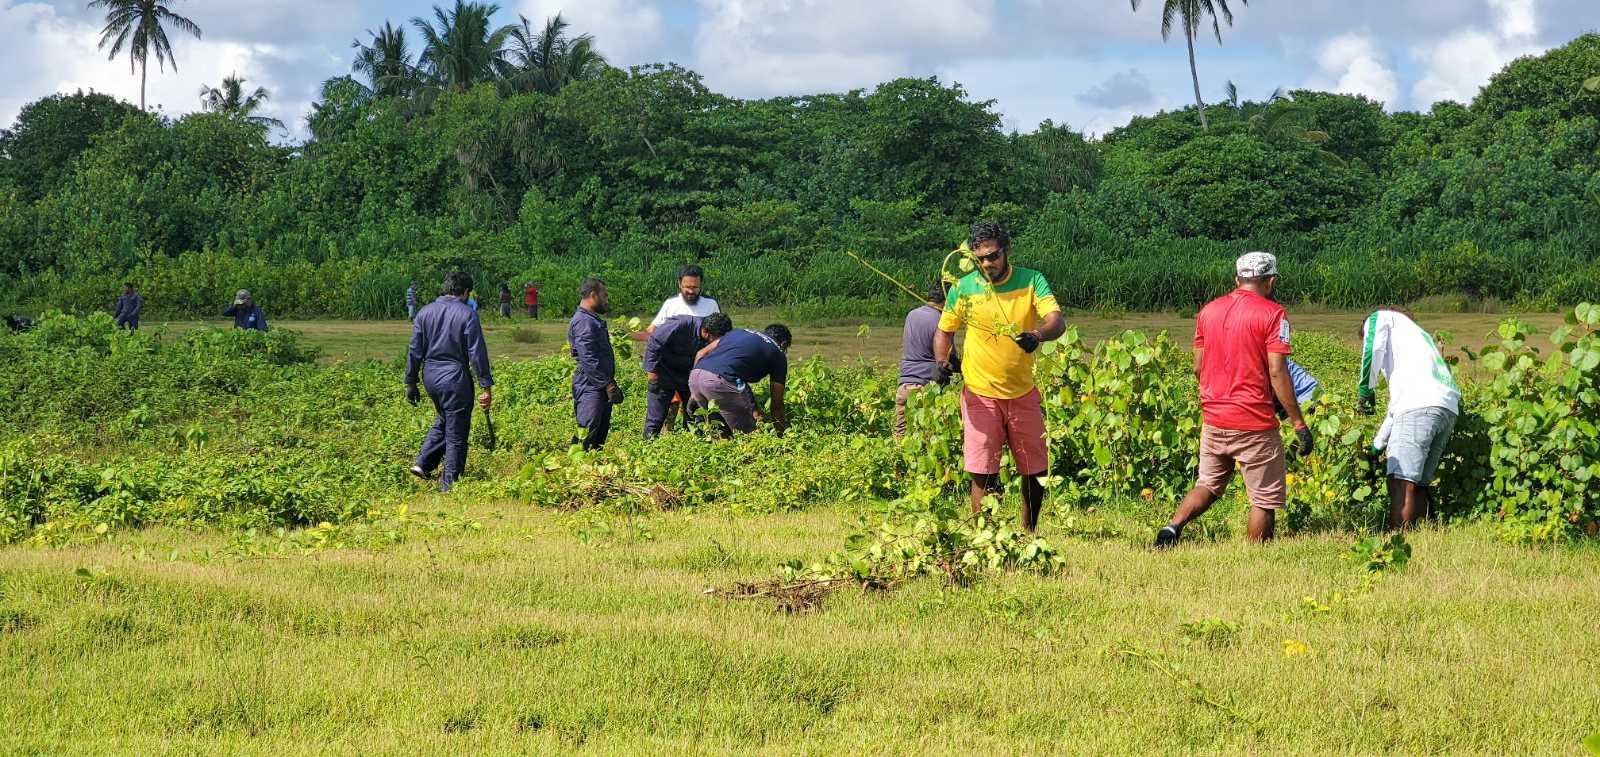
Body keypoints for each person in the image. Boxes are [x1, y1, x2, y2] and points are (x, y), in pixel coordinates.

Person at [1155, 252, 1315, 549]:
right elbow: (1278, 372)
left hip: (1214, 418)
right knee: (1264, 498)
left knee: (1208, 484)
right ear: (1271, 281)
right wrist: (1297, 422)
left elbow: (1197, 368)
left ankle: (1172, 527)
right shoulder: (1273, 314)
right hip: (1254, 421)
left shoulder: (1208, 311)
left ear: (1237, 280)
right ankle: (1255, 556)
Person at [933, 220, 1066, 533]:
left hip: (1023, 391)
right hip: (980, 392)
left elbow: (1056, 321)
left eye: (992, 256)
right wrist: (941, 361)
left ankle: (1028, 530)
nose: (987, 264)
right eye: (980, 258)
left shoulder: (1031, 280)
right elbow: (944, 331)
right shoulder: (963, 288)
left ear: (1006, 251)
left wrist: (1038, 335)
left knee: (1035, 469)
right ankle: (986, 538)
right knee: (983, 471)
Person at [1356, 309, 1460, 530]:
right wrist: (1377, 446)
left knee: (1401, 482)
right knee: (1418, 482)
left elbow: (1372, 344)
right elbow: (1398, 409)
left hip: (1421, 406)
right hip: (1447, 406)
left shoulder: (1381, 318)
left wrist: (1366, 389)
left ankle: (1397, 542)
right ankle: (1421, 540)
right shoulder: (1417, 338)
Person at [405, 272, 494, 493]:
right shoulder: (467, 314)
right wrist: (486, 385)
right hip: (455, 376)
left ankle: (423, 463)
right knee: (457, 432)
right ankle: (449, 486)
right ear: (465, 292)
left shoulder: (424, 313)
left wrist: (411, 382)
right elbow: (476, 353)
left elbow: (414, 351)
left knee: (446, 416)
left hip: (430, 376)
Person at [690, 318, 790, 436]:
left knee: (720, 433)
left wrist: (694, 391)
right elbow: (777, 404)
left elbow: (701, 354)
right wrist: (781, 434)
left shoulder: (740, 332)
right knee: (751, 436)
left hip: (695, 376)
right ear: (783, 344)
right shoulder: (778, 353)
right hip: (721, 380)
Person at [896, 280, 957, 439]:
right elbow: (949, 361)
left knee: (900, 437)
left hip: (904, 386)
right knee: (928, 439)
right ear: (949, 301)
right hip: (926, 390)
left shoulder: (912, 314)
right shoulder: (942, 322)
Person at [569, 278, 623, 450]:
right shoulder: (584, 321)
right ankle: (575, 468)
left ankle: (593, 472)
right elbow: (588, 358)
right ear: (593, 295)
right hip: (590, 384)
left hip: (597, 383)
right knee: (587, 431)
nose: (607, 300)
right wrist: (607, 385)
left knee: (598, 436)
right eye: (604, 295)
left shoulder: (591, 319)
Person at [643, 313, 710, 439]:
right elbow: (654, 341)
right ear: (706, 331)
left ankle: (694, 444)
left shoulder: (713, 335)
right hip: (664, 373)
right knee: (655, 418)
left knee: (694, 414)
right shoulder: (679, 324)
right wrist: (652, 374)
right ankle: (648, 446)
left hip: (687, 375)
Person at [641, 264, 720, 339]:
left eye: (695, 287)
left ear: (701, 284)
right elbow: (651, 331)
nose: (691, 291)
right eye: (687, 287)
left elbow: (720, 336)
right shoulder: (670, 304)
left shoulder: (711, 304)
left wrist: (703, 352)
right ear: (679, 284)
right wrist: (629, 336)